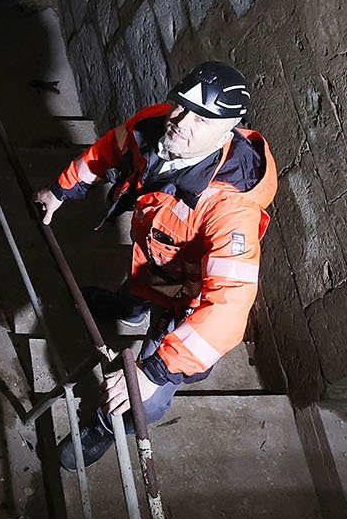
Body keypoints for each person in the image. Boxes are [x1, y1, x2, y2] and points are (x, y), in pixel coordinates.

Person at [33, 60, 276, 470]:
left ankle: (108, 428)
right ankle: (126, 308)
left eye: (203, 118)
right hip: (154, 259)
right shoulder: (156, 125)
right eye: (181, 106)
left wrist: (157, 370)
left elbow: (228, 307)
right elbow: (108, 149)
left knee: (148, 397)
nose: (181, 121)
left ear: (229, 128)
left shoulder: (231, 210)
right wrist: (61, 190)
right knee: (134, 293)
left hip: (188, 301)